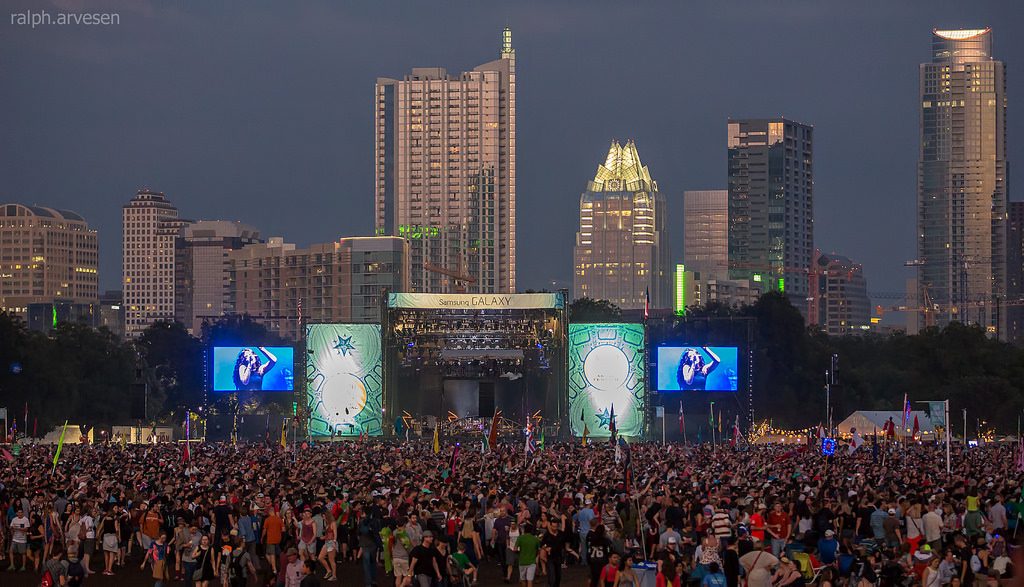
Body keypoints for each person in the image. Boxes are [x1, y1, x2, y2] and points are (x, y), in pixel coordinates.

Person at [10, 507, 30, 571]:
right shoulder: (14, 519)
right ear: (16, 513)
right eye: (19, 512)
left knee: (23, 553)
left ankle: (23, 566)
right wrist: (12, 529)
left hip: (22, 539)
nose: (20, 513)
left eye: (21, 512)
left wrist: (17, 528)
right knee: (11, 551)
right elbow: (11, 527)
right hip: (15, 538)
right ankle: (12, 565)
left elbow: (26, 529)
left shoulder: (25, 520)